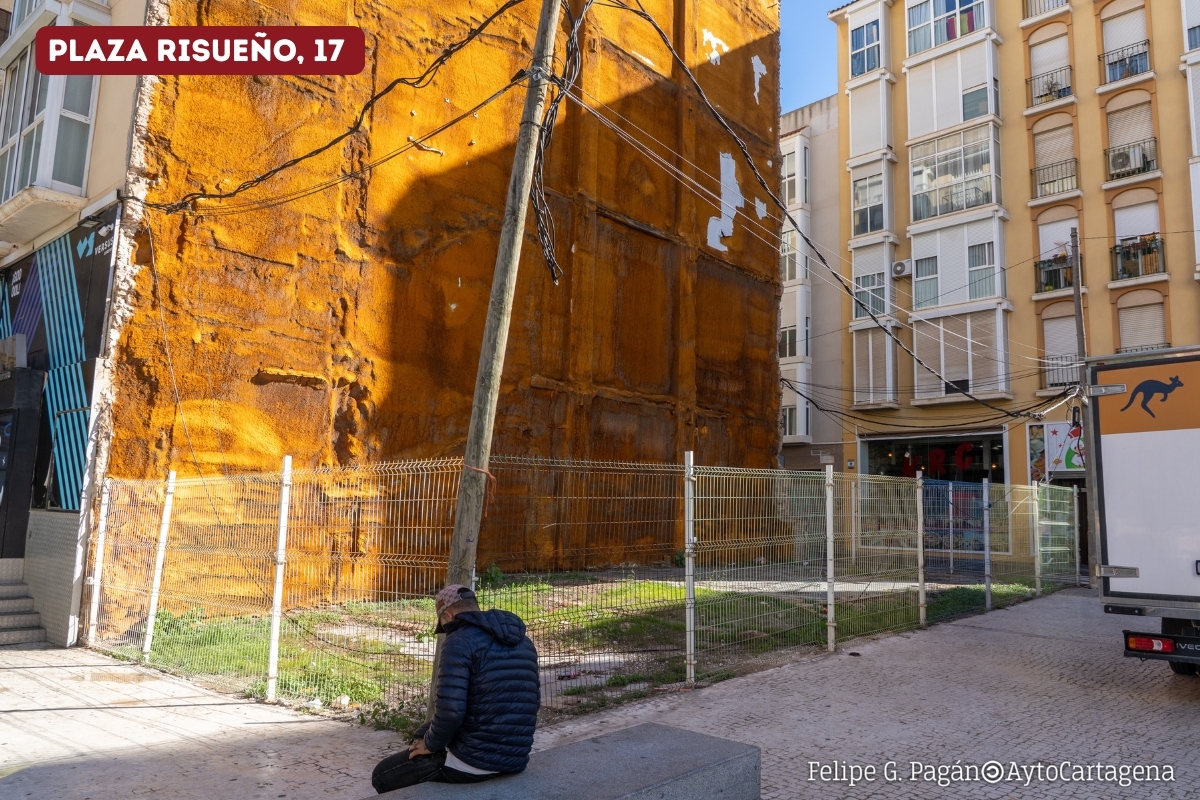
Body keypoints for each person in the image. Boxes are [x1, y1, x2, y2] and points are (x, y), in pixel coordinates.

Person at [371, 584, 540, 793]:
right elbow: (529, 702)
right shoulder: (524, 642)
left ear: (448, 616)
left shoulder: (459, 641)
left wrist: (430, 744)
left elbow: (451, 712)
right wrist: (427, 732)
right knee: (423, 735)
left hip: (473, 763)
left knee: (383, 775)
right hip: (516, 759)